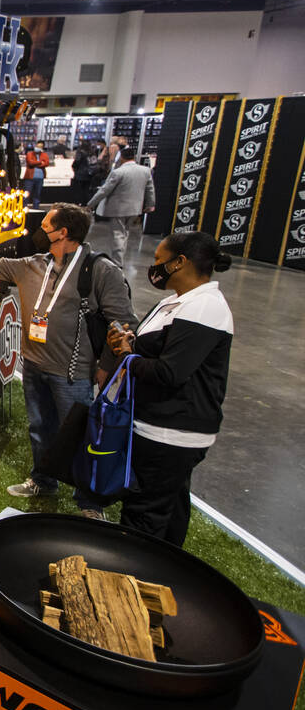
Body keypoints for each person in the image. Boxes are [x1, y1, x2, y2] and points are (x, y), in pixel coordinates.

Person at [0, 203, 136, 518]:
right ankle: (43, 481)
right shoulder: (32, 265)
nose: (39, 229)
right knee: (40, 429)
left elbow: (122, 323)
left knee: (79, 437)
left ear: (62, 232)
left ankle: (89, 503)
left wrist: (106, 366)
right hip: (35, 368)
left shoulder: (100, 270)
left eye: (46, 224)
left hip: (73, 375)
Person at [105, 232, 233, 546]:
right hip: (158, 424)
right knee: (171, 509)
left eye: (160, 261)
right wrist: (130, 343)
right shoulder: (176, 302)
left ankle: (132, 580)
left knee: (143, 516)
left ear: (181, 262)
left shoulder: (203, 307)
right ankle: (166, 573)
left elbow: (169, 372)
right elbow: (158, 351)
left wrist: (126, 355)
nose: (154, 267)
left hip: (170, 432)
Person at [87, 146, 155, 265]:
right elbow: (150, 189)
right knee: (125, 233)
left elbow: (104, 190)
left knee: (117, 234)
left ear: (122, 158)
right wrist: (150, 204)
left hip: (118, 209)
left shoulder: (118, 172)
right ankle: (119, 257)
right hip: (135, 209)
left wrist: (91, 204)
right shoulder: (145, 170)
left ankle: (117, 262)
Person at [22, 141, 49, 209]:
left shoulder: (44, 154)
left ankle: (36, 209)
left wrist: (36, 163)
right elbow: (30, 162)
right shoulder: (29, 154)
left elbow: (46, 163)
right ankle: (23, 208)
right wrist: (40, 162)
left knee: (37, 195)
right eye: (37, 146)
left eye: (40, 147)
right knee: (26, 194)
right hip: (29, 178)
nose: (38, 148)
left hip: (40, 178)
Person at [71, 142, 95, 206]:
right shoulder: (92, 152)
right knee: (87, 191)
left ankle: (78, 204)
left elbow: (77, 162)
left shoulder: (80, 152)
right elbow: (94, 163)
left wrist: (73, 167)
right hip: (89, 175)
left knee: (78, 191)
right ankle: (86, 204)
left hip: (80, 174)